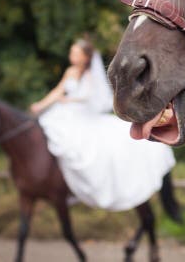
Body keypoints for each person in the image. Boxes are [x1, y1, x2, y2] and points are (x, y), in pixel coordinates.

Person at [30, 38, 176, 211]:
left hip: (83, 114)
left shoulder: (91, 75)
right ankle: (63, 183)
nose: (72, 56)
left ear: (85, 57)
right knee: (53, 133)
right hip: (66, 112)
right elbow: (58, 91)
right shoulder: (70, 71)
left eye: (76, 53)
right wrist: (41, 105)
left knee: (83, 147)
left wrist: (69, 100)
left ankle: (79, 186)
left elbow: (90, 96)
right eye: (72, 52)